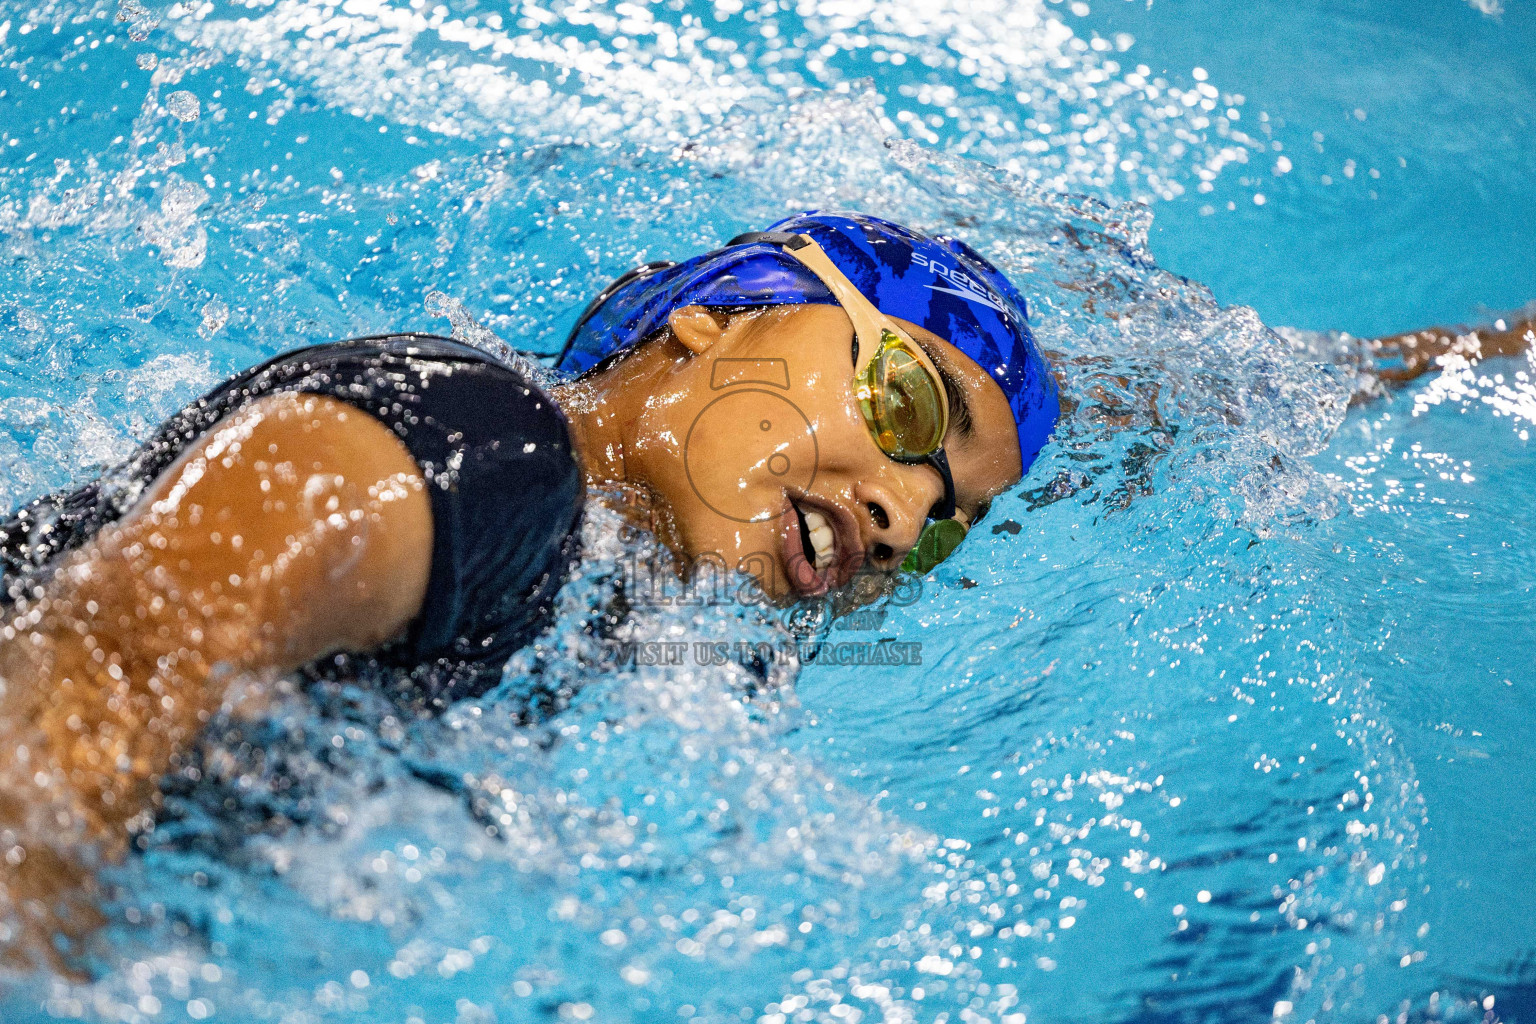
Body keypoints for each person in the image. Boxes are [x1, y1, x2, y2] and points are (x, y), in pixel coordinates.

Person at [0, 210, 1527, 968]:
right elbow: (69, 701)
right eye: (908, 412)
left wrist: (1420, 367)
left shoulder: (643, 598)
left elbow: (1168, 400)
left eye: (946, 524)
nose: (898, 511)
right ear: (716, 319)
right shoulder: (472, 445)